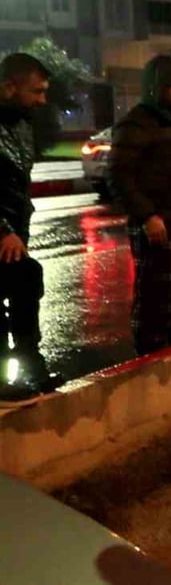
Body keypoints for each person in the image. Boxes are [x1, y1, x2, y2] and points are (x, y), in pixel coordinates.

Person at [109, 55, 171, 356]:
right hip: (157, 228)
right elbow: (119, 175)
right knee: (155, 300)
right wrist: (148, 215)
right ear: (158, 87)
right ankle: (150, 364)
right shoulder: (137, 123)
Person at [0, 54, 57, 407]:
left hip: (14, 236)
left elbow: (18, 186)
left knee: (26, 281)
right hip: (3, 235)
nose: (42, 100)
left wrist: (17, 229)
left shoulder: (21, 125)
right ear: (9, 87)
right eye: (36, 91)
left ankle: (29, 365)